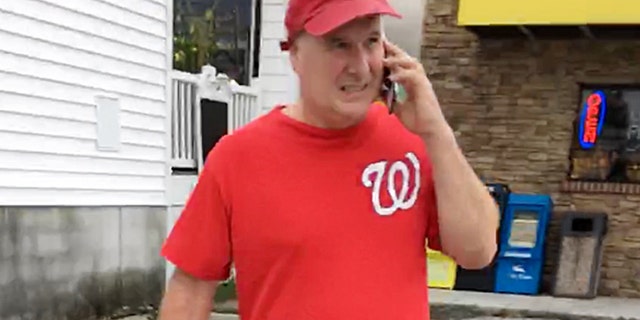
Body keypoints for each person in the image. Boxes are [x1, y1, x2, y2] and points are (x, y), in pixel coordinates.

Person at [158, 0, 500, 319]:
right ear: (295, 56)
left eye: (371, 41)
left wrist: (437, 132)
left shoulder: (415, 140)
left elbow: (478, 252)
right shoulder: (239, 158)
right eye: (339, 44)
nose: (361, 66)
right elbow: (190, 286)